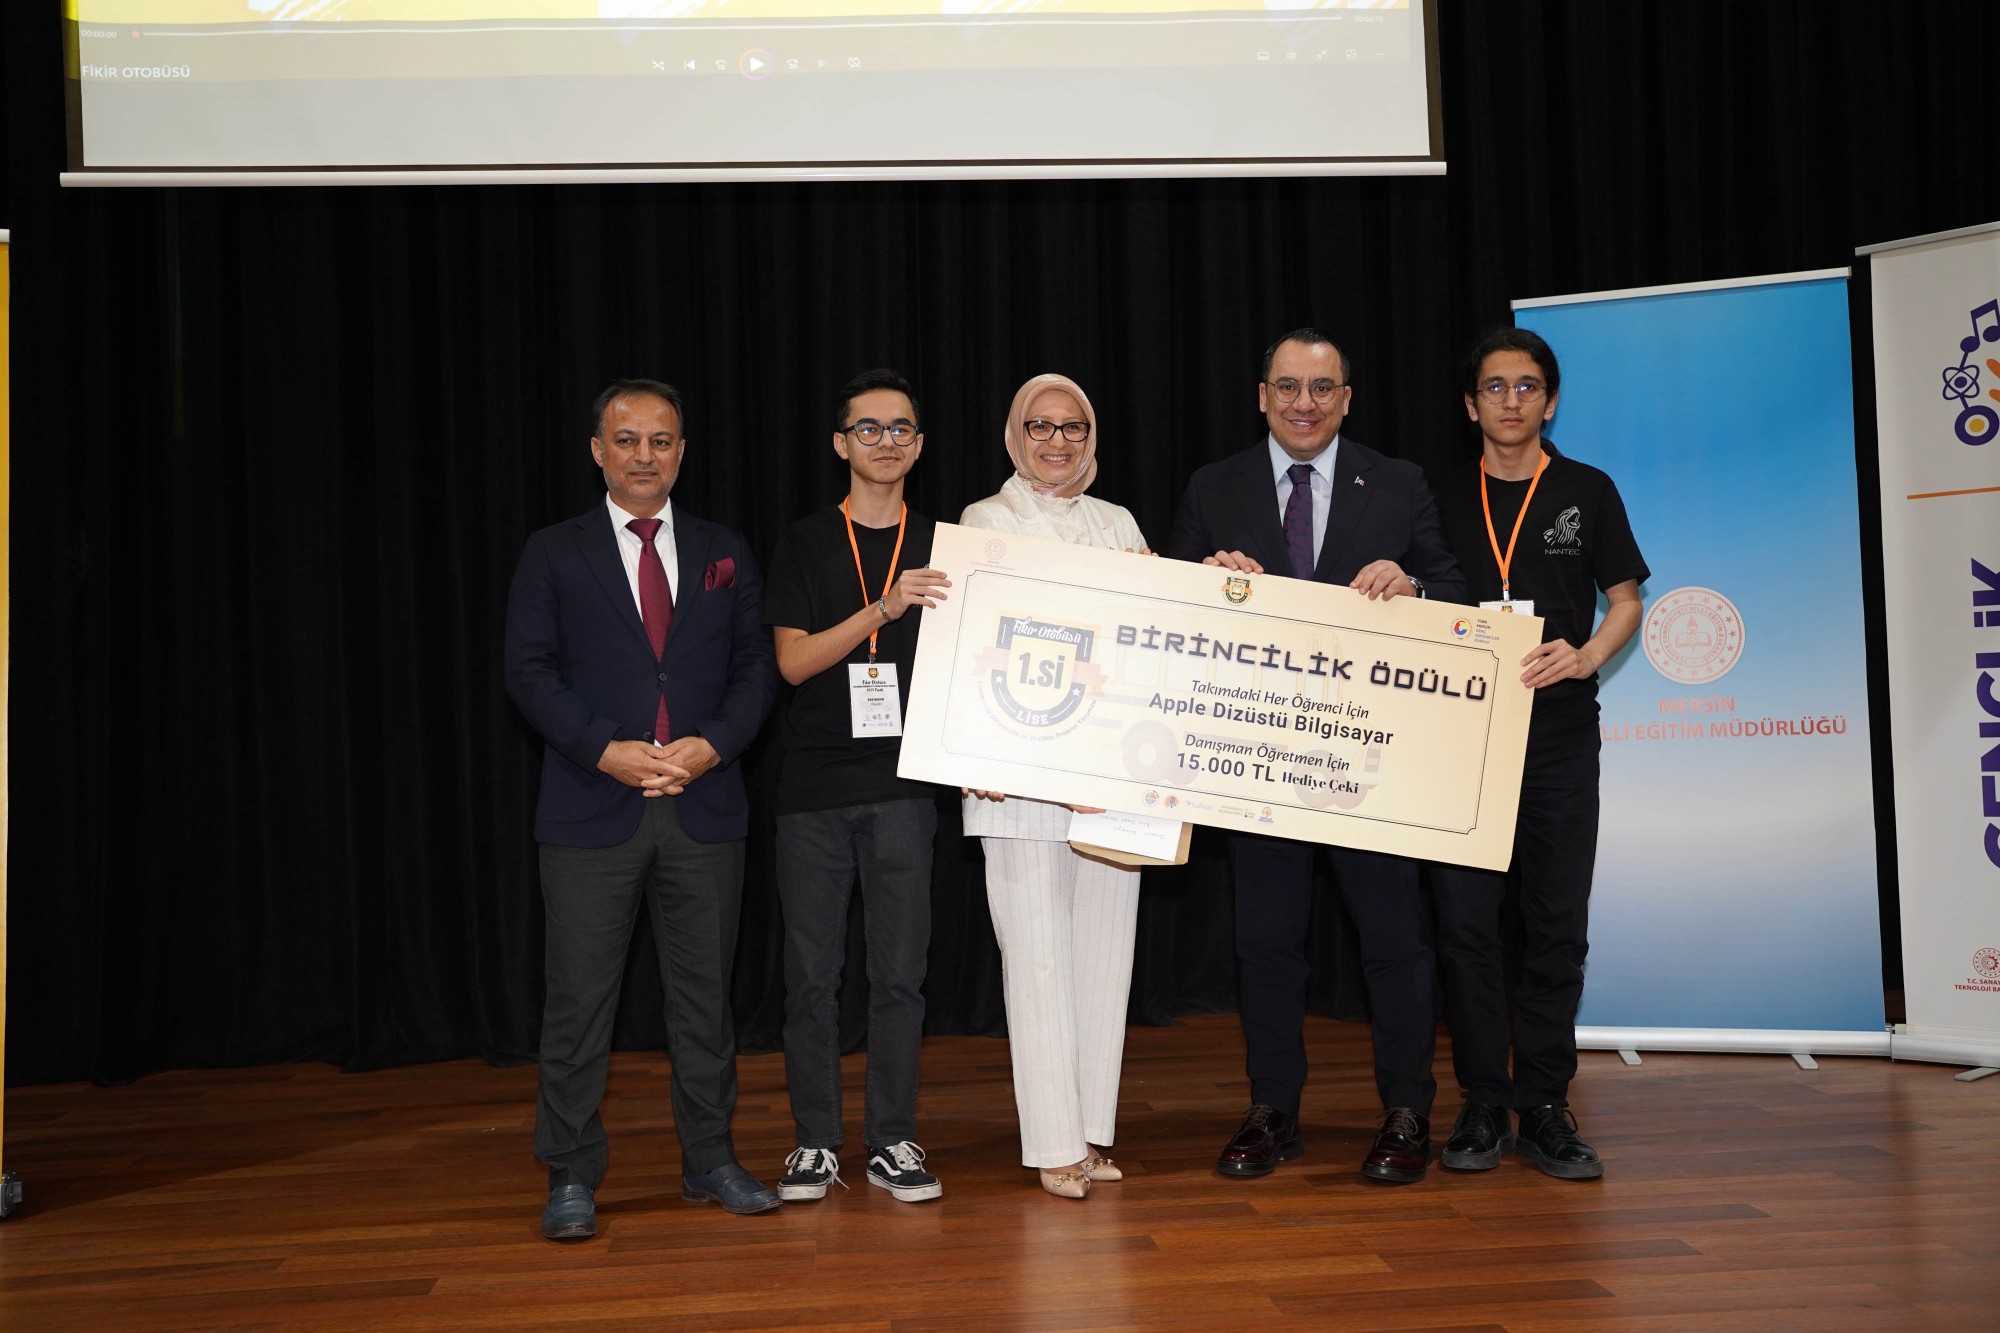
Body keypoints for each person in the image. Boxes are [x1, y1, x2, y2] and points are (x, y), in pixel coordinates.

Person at [1166, 327, 1467, 1184]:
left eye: (1322, 387)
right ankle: (1273, 1109)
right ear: (1262, 396)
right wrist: (1206, 579)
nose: (1305, 403)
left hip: (1371, 757)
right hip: (1259, 755)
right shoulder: (1213, 486)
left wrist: (1414, 587)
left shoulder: (1398, 482)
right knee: (1266, 942)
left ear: (1347, 398)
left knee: (1395, 942)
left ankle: (1407, 1111)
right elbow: (1168, 612)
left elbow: (1454, 590)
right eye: (1289, 386)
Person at [504, 378, 782, 1241]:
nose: (644, 455)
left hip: (704, 804)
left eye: (661, 440)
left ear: (682, 452)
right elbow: (528, 671)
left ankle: (710, 1158)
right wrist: (604, 749)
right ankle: (570, 1172)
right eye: (626, 440)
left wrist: (712, 745)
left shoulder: (722, 548)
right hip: (593, 808)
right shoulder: (553, 551)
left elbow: (756, 668)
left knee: (704, 1002)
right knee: (578, 1003)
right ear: (598, 451)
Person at [1428, 327, 1647, 1180]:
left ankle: (1546, 1101)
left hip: (1557, 732)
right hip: (1461, 736)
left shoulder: (1587, 489)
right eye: (1494, 386)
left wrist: (1587, 655)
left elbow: (1625, 599)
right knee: (1467, 928)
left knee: (1556, 923)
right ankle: (1485, 1100)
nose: (1511, 400)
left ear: (1550, 401)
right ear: (1470, 404)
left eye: (1527, 386)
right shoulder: (1437, 492)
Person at [763, 370, 953, 1205]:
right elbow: (792, 661)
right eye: (868, 428)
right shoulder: (806, 541)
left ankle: (892, 1138)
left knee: (900, 976)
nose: (885, 441)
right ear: (841, 443)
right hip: (813, 787)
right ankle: (815, 1140)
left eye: (900, 428)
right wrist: (884, 607)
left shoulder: (947, 543)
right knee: (811, 977)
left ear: (919, 444)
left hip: (906, 784)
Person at [959, 373, 1147, 1200]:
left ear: (1091, 437)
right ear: (1015, 434)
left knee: (1104, 960)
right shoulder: (984, 521)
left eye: (1073, 427)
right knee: (1035, 961)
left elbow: (1149, 643)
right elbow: (974, 644)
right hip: (1018, 779)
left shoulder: (1120, 524)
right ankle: (1053, 1145)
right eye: (1040, 426)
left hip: (1110, 778)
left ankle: (1090, 1131)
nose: (1057, 441)